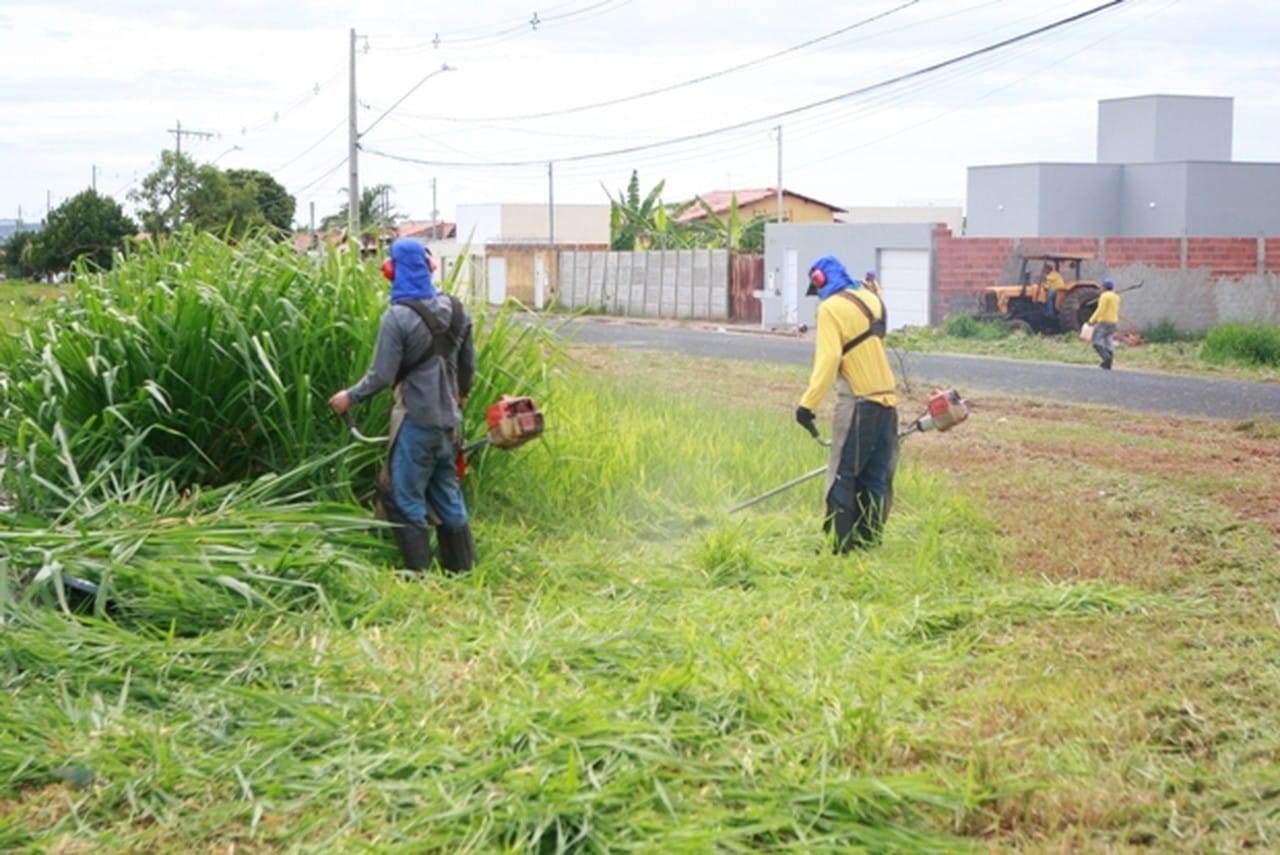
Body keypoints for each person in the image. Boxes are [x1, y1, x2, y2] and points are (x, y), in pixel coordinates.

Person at [329, 238, 477, 573]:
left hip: (416, 422)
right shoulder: (457, 309)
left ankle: (419, 575)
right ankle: (463, 570)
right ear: (429, 268)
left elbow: (382, 375)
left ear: (392, 272)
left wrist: (349, 397)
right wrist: (461, 395)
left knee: (405, 496)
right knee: (447, 493)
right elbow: (468, 366)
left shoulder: (397, 317)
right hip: (450, 425)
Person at [794, 256, 900, 553]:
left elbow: (828, 361)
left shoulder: (830, 309)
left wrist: (807, 405)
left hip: (860, 404)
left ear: (820, 281)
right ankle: (869, 542)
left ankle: (838, 547)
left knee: (843, 474)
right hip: (888, 402)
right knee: (875, 477)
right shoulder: (873, 299)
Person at [1088, 277, 1120, 369]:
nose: (1101, 288)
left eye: (1102, 286)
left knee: (1096, 342)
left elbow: (1100, 310)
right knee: (1108, 341)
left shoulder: (1104, 296)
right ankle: (1108, 365)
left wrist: (1092, 320)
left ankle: (1106, 358)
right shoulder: (1116, 296)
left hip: (1104, 322)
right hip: (1113, 322)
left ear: (1105, 287)